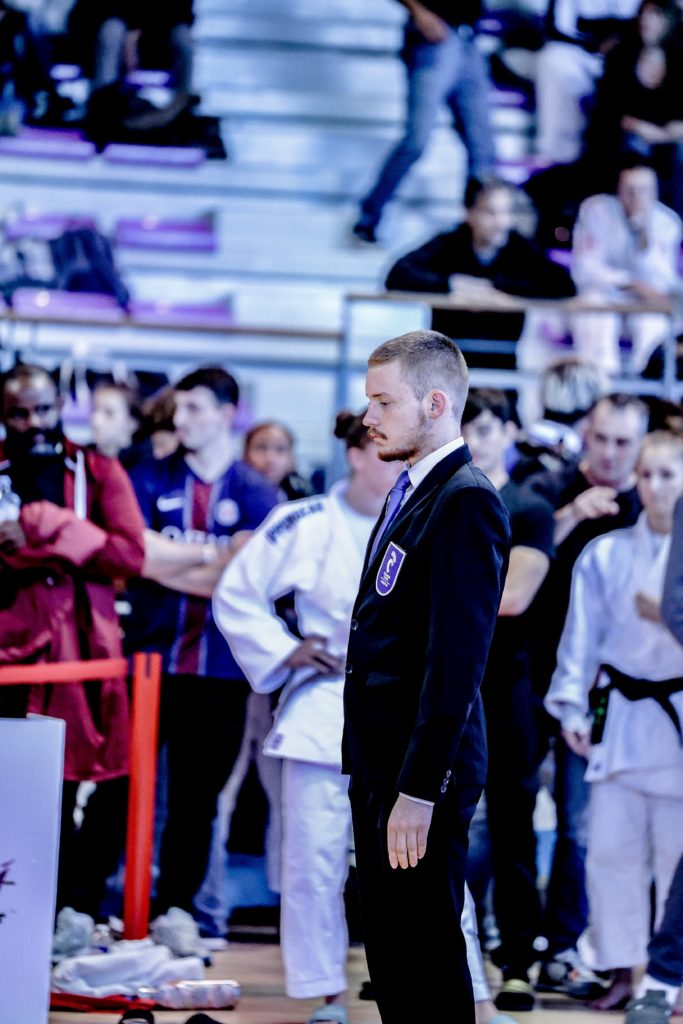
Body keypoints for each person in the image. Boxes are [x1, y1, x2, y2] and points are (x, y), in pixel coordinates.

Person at [342, 330, 510, 1023]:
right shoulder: (412, 489)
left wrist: (418, 789)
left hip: (420, 775)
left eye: (384, 402)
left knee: (427, 955)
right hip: (382, 762)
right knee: (392, 956)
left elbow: (456, 664)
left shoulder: (464, 500)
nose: (369, 418)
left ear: (435, 404)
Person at [214, 409, 402, 1024]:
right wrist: (284, 649)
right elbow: (237, 593)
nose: (397, 464)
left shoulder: (424, 518)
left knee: (417, 864)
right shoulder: (307, 520)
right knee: (315, 861)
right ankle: (327, 994)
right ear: (355, 455)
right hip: (324, 704)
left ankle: (447, 989)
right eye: (383, 451)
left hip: (402, 711)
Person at [126, 365, 280, 925]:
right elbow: (136, 555)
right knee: (122, 789)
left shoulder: (258, 493)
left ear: (226, 414)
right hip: (147, 665)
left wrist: (172, 562)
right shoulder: (148, 475)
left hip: (221, 673)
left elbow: (251, 581)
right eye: (178, 408)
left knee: (197, 802)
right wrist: (216, 555)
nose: (180, 419)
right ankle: (87, 903)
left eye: (194, 408)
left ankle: (175, 913)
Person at [0, 362, 145, 919]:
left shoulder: (96, 470)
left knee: (64, 786)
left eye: (43, 409)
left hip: (75, 654)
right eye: (19, 413)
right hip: (10, 653)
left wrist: (48, 530)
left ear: (61, 406)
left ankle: (59, 911)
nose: (34, 422)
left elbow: (129, 554)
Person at [545, 430, 683, 1010]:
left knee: (677, 857)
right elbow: (580, 639)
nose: (655, 487)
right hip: (622, 715)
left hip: (677, 719)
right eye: (646, 475)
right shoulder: (604, 554)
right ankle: (624, 969)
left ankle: (672, 976)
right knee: (610, 853)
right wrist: (572, 705)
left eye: (668, 475)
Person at [526, 392, 648, 996]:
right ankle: (501, 940)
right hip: (526, 676)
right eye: (601, 438)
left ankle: (566, 946)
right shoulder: (545, 488)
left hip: (606, 691)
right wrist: (572, 514)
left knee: (579, 827)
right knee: (497, 818)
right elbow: (508, 555)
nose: (610, 453)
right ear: (585, 434)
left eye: (623, 442)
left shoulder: (650, 504)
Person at [462, 389, 556, 1011]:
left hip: (508, 685)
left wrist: (438, 599)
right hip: (445, 679)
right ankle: (431, 953)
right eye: (466, 426)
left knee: (513, 822)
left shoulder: (528, 506)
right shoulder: (438, 497)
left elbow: (514, 597)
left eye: (487, 427)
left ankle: (518, 960)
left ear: (510, 432)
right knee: (433, 821)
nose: (476, 438)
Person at [384, 177, 575, 381]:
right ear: (469, 213)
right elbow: (397, 274)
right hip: (448, 365)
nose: (501, 222)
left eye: (506, 212)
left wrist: (493, 289)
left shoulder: (519, 247)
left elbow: (562, 284)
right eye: (490, 213)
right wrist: (452, 284)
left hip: (501, 364)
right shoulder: (450, 243)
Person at [351, 0, 494, 244]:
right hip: (436, 38)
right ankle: (368, 217)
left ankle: (475, 233)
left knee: (483, 150)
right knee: (417, 141)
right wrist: (419, 11)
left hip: (469, 39)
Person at [570, 158, 682, 375]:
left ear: (655, 191)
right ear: (619, 190)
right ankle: (601, 379)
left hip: (645, 302)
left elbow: (663, 280)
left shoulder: (667, 222)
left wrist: (643, 235)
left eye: (644, 190)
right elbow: (585, 269)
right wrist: (630, 282)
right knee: (594, 308)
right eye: (629, 190)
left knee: (654, 320)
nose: (636, 197)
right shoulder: (596, 210)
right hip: (603, 296)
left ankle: (645, 379)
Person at [584, 0, 683, 215]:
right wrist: (637, 126)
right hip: (628, 135)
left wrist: (670, 132)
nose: (646, 21)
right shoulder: (621, 56)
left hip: (669, 141)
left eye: (655, 15)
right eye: (644, 15)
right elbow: (606, 108)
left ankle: (674, 218)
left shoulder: (680, 61)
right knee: (616, 146)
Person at [535, 0, 640, 164]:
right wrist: (598, 44)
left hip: (631, 56)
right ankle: (558, 153)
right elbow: (558, 29)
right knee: (553, 59)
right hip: (582, 54)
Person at [243, 420, 311, 501]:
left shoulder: (302, 497)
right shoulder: (232, 498)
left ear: (291, 459)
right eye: (261, 447)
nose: (270, 459)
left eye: (280, 449)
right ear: (245, 454)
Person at [89, 381, 146, 469]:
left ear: (133, 423)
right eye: (94, 409)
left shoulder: (144, 467)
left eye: (109, 413)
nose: (95, 420)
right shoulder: (81, 458)